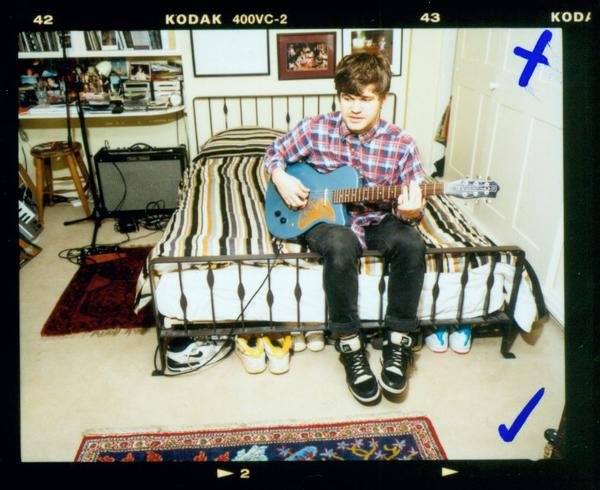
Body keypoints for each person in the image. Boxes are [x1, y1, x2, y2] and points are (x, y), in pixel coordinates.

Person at [263, 53, 427, 403]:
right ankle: (350, 345)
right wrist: (280, 177)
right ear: (338, 96)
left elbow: (414, 198)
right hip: (322, 219)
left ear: (383, 99)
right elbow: (273, 153)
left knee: (412, 243)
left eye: (365, 99)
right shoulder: (314, 128)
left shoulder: (402, 144)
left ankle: (398, 342)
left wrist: (412, 211)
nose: (354, 108)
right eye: (348, 97)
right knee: (340, 245)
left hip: (377, 219)